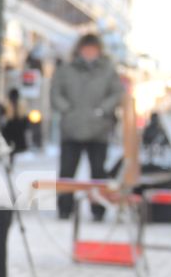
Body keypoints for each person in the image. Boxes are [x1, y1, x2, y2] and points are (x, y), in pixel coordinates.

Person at [48, 33, 125, 220]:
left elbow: (117, 93)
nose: (89, 53)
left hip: (98, 129)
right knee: (67, 171)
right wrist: (68, 110)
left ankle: (98, 209)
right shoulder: (66, 69)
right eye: (86, 49)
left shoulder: (107, 70)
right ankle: (64, 208)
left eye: (93, 49)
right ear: (80, 50)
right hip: (71, 129)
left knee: (98, 172)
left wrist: (103, 110)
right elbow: (56, 93)